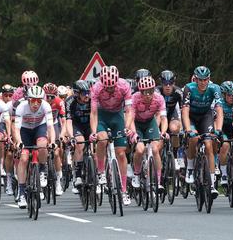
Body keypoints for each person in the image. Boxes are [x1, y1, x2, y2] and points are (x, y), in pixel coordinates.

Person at [89, 65, 133, 206]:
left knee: (121, 153)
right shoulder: (96, 88)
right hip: (102, 116)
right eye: (107, 87)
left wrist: (127, 127)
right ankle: (101, 171)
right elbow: (94, 113)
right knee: (102, 140)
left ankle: (124, 189)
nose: (110, 89)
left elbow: (129, 110)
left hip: (117, 116)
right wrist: (94, 131)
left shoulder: (124, 86)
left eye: (112, 86)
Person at [182, 66, 223, 198]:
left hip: (206, 116)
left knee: (209, 144)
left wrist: (219, 129)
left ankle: (211, 184)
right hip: (192, 117)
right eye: (200, 80)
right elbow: (185, 110)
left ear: (209, 79)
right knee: (193, 139)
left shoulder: (214, 88)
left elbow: (219, 110)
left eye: (205, 79)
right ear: (195, 79)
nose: (203, 82)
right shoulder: (189, 88)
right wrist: (188, 129)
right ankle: (190, 167)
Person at [13, 86, 55, 209]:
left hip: (39, 127)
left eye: (39, 100)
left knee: (42, 144)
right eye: (33, 100)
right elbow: (16, 129)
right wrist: (19, 142)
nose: (36, 103)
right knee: (24, 158)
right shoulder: (21, 107)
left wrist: (52, 141)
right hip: (25, 131)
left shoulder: (46, 106)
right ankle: (21, 192)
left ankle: (42, 169)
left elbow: (50, 127)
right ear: (28, 99)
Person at [130, 76, 168, 190]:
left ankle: (158, 180)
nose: (148, 94)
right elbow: (130, 118)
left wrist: (163, 132)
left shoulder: (159, 98)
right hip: (136, 124)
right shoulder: (134, 98)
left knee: (155, 149)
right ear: (140, 91)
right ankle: (136, 175)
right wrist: (134, 133)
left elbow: (164, 118)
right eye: (145, 92)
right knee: (140, 149)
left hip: (150, 122)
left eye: (150, 91)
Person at [65, 80, 91, 194]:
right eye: (83, 93)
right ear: (76, 94)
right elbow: (69, 121)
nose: (87, 95)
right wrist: (71, 137)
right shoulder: (70, 102)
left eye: (88, 92)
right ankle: (78, 175)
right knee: (79, 143)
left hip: (90, 125)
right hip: (77, 126)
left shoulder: (92, 100)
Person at [158, 70, 183, 168]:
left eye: (170, 83)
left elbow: (183, 110)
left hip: (172, 114)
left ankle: (176, 157)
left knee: (174, 129)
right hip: (159, 115)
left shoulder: (178, 92)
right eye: (165, 83)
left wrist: (183, 126)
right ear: (161, 83)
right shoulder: (156, 91)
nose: (168, 86)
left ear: (174, 83)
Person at [217, 81, 233, 186]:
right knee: (225, 145)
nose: (231, 97)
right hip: (223, 128)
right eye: (229, 95)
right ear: (223, 95)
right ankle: (224, 173)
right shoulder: (220, 104)